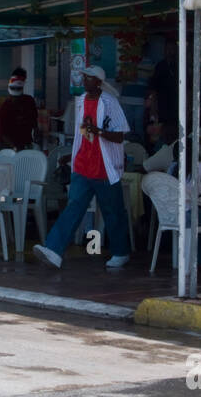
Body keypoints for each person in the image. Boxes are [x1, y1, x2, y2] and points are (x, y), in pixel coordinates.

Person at [33, 65, 130, 270]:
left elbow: (120, 135)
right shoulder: (81, 102)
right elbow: (85, 135)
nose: (84, 81)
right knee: (73, 207)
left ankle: (121, 252)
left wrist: (99, 131)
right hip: (83, 165)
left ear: (98, 82)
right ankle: (53, 249)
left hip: (105, 166)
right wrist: (71, 156)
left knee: (112, 211)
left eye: (88, 78)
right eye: (83, 77)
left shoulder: (110, 102)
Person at [0, 68, 40, 150]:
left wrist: (36, 132)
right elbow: (2, 133)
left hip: (26, 143)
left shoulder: (29, 101)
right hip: (8, 147)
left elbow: (34, 121)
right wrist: (14, 147)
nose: (16, 99)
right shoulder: (5, 107)